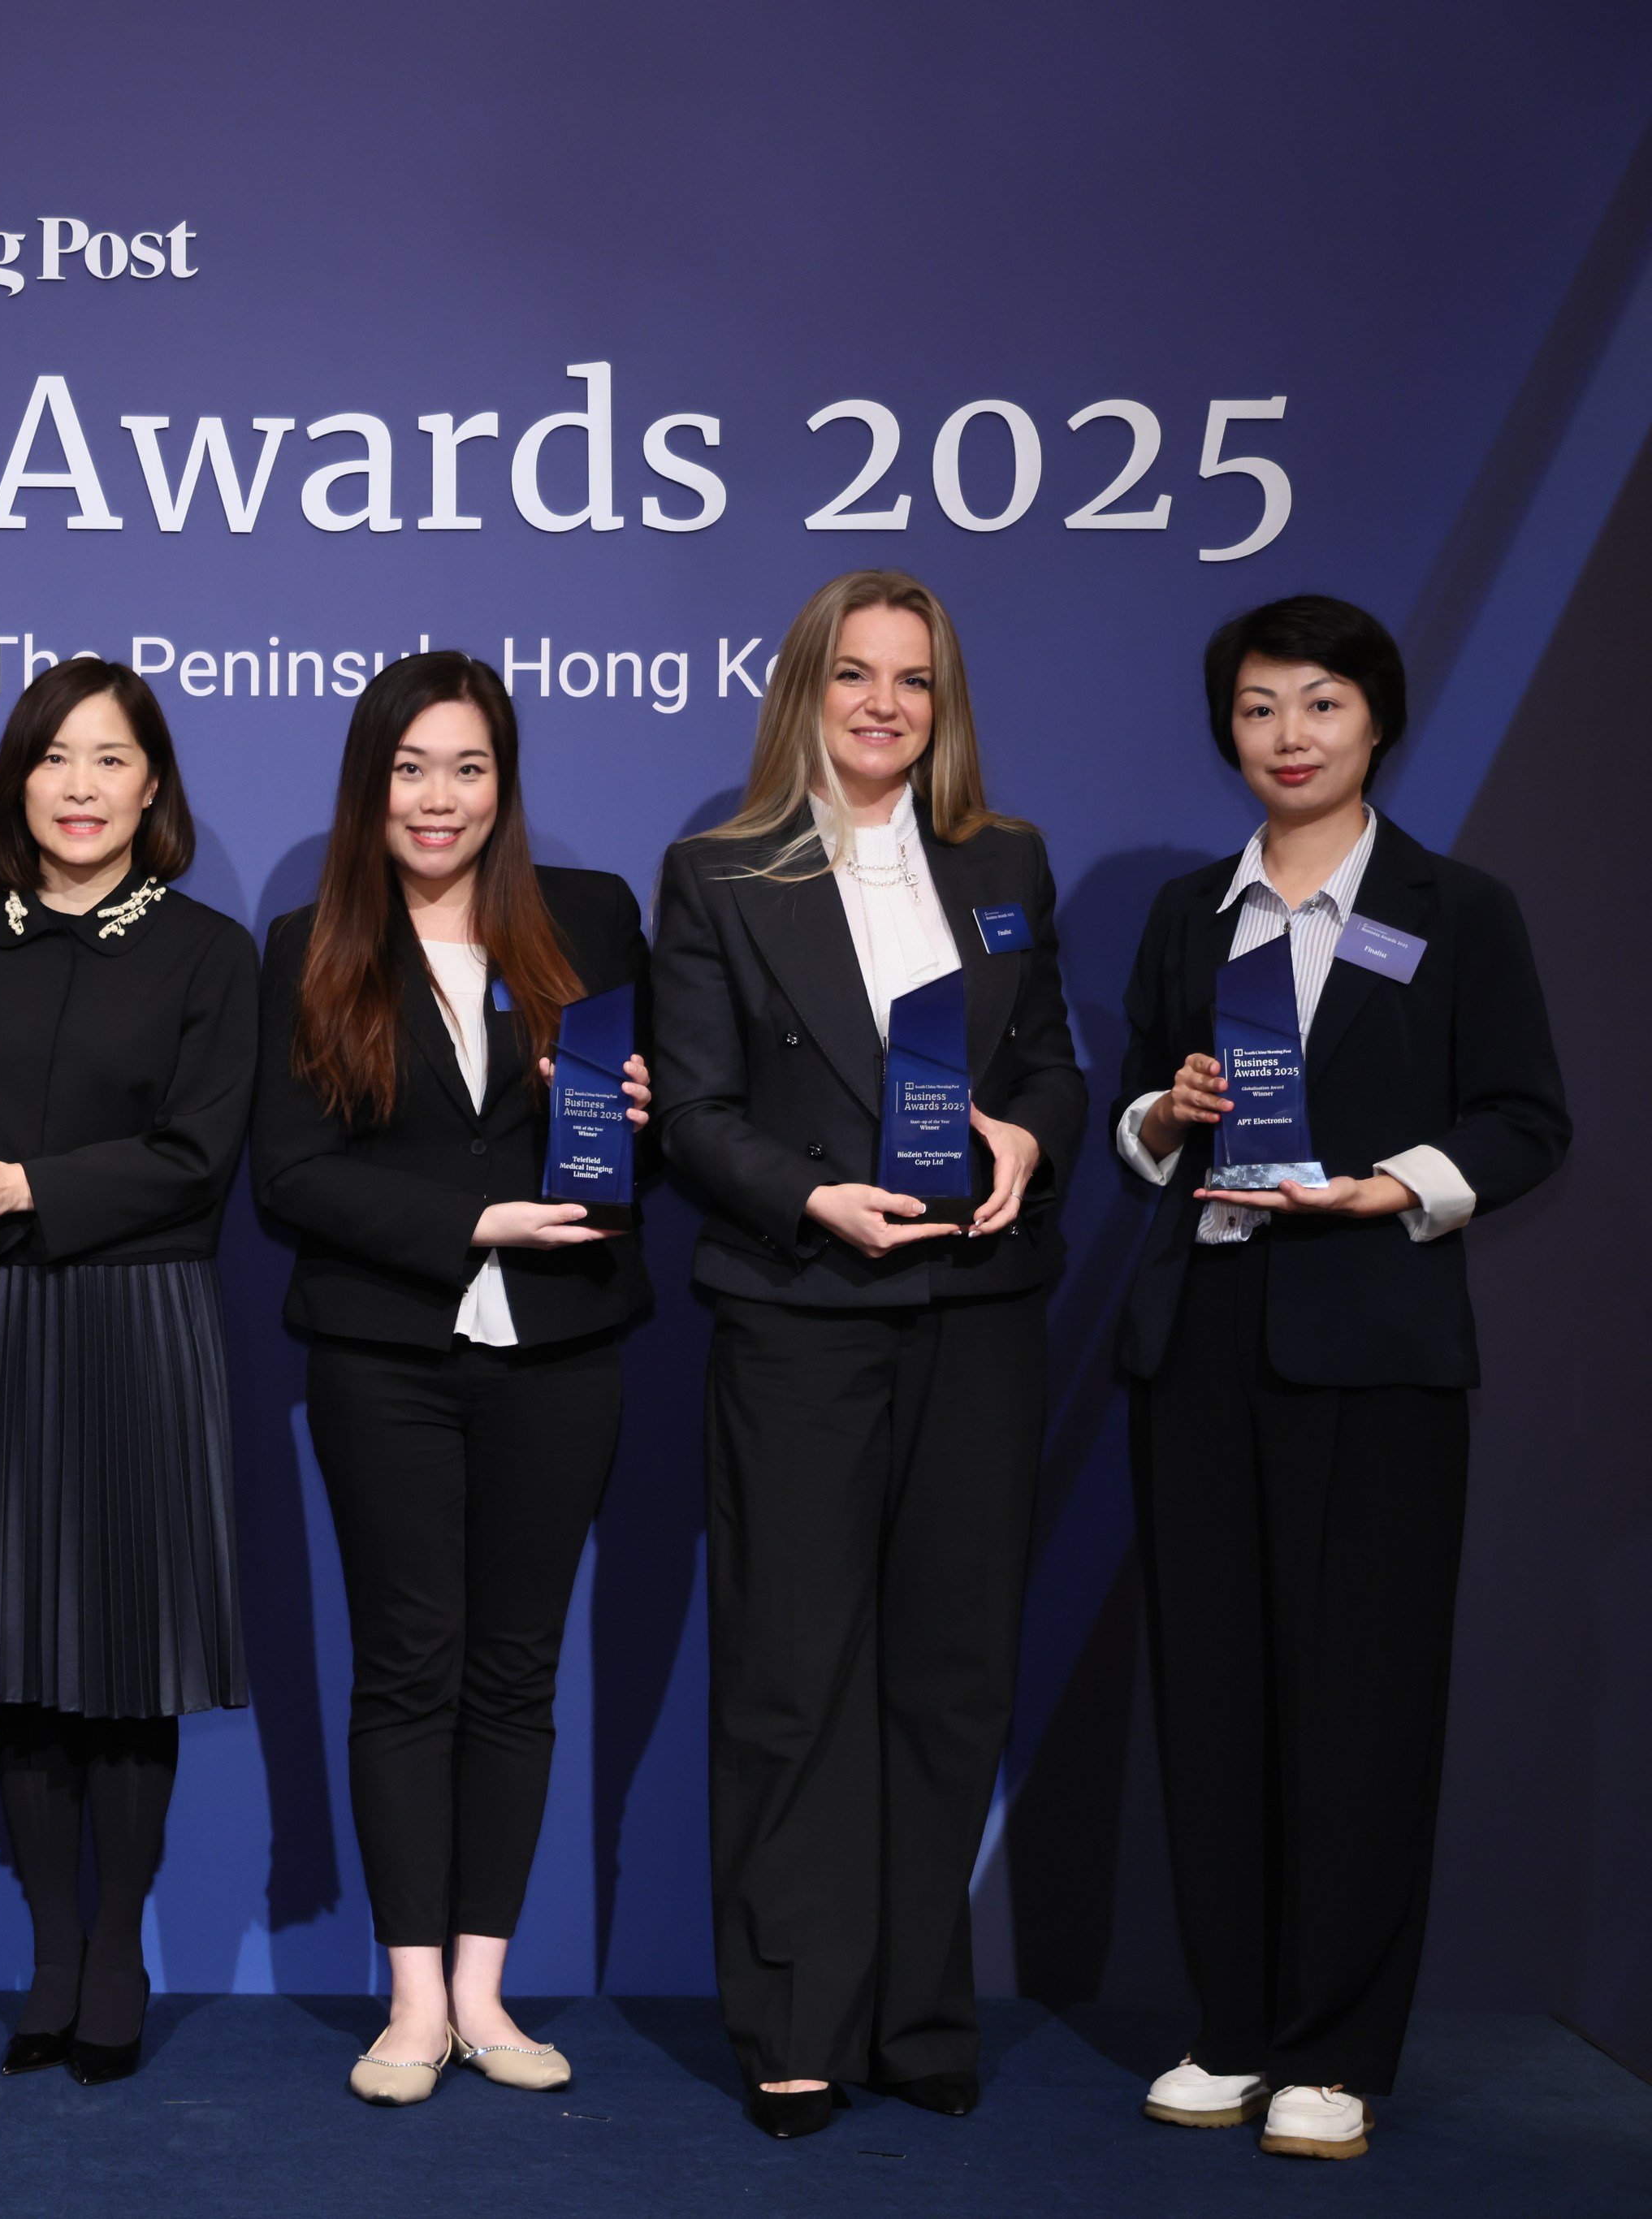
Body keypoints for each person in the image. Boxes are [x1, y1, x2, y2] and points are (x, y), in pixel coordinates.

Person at [1116, 596, 1566, 2164]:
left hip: (1374, 1344)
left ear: (1377, 722)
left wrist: (1396, 1184)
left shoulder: (1456, 906)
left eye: (1320, 705)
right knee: (1215, 1691)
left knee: (1363, 1700)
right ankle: (1230, 2026)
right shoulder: (1193, 910)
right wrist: (1167, 1114)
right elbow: (1135, 1123)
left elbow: (1525, 1119)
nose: (1289, 737)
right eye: (1257, 708)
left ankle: (1337, 2047)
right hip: (1207, 1337)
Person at [651, 570, 1081, 2139]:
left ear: (944, 700)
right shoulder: (717, 873)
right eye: (856, 674)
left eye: (914, 677)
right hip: (802, 1314)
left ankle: (916, 2013)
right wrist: (812, 1196)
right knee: (793, 1679)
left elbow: (1050, 1060)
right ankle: (795, 2021)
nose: (886, 703)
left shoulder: (1006, 860)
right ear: (805, 692)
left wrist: (1030, 1139)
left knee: (953, 1680)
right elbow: (693, 1114)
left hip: (981, 1312)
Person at [252, 651, 653, 2108]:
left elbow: (641, 1152)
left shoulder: (593, 918)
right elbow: (286, 1175)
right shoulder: (308, 941)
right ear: (373, 784)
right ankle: (412, 2000)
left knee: (517, 1668)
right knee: (407, 1664)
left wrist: (639, 1122)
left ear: (507, 782)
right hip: (386, 1350)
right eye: (413, 768)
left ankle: (488, 1990)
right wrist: (467, 1221)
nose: (441, 798)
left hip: (564, 1344)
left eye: (469, 768)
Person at [0, 659, 258, 2086]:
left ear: (152, 785)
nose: (82, 787)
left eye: (111, 761)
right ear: (17, 783)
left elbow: (195, 1161)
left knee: (127, 1666)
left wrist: (23, 1183)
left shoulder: (211, 953)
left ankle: (119, 1952)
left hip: (139, 1324)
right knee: (20, 1667)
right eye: (54, 759)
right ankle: (50, 1948)